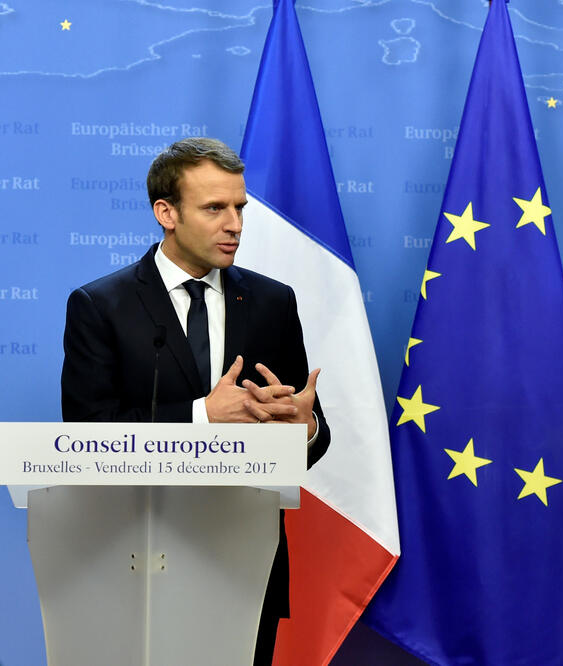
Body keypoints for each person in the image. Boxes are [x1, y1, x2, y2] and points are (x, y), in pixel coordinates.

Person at [61, 137, 330, 665]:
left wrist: (306, 430)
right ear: (166, 213)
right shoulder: (101, 306)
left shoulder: (273, 302)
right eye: (214, 208)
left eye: (239, 208)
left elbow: (303, 430)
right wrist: (202, 416)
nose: (235, 224)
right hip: (135, 560)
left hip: (245, 562)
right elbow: (88, 432)